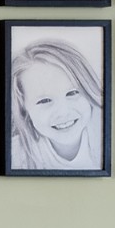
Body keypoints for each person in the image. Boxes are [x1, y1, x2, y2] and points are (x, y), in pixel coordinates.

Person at [7, 37, 104, 171]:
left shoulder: (110, 140)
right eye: (44, 101)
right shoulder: (14, 157)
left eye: (72, 93)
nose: (63, 112)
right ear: (23, 109)